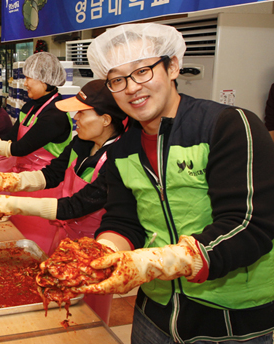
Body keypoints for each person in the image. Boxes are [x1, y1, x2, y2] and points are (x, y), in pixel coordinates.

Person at [66, 23, 274, 344]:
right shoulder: (123, 148)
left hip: (232, 317)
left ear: (173, 66)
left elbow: (248, 225)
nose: (132, 87)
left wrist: (152, 262)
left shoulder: (228, 126)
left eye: (143, 71)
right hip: (156, 311)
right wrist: (107, 254)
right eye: (118, 79)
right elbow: (123, 219)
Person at [0, 80, 127, 322]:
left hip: (94, 252)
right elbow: (51, 174)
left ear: (106, 119)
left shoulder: (120, 158)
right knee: (54, 308)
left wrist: (13, 205)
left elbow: (78, 205)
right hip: (64, 238)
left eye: (82, 113)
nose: (75, 118)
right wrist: (7, 182)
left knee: (86, 318)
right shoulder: (82, 142)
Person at [0, 52, 72, 252]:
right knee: (16, 237)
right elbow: (11, 137)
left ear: (45, 81)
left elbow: (21, 147)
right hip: (22, 180)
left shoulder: (55, 115)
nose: (25, 82)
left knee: (35, 245)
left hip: (44, 186)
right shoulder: (30, 107)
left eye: (29, 78)